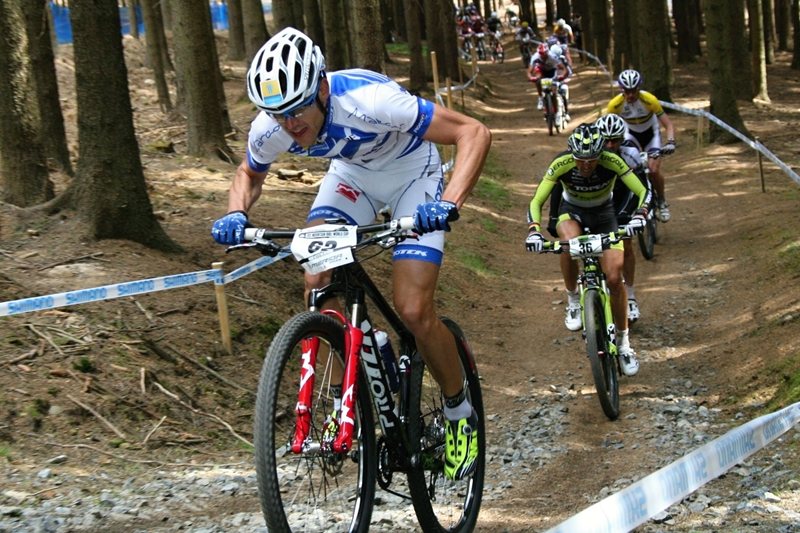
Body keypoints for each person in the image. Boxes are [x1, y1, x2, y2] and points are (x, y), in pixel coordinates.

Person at [211, 28, 491, 480]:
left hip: (412, 174)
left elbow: (472, 132)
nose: (289, 124)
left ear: (322, 89)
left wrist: (448, 203)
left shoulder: (371, 100)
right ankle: (361, 367)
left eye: (298, 109)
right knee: (316, 278)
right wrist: (235, 212)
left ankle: (460, 412)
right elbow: (248, 173)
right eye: (278, 114)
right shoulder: (272, 127)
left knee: (413, 308)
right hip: (352, 177)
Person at [524, 124, 651, 376]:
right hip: (572, 212)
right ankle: (573, 298)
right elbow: (537, 200)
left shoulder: (612, 160)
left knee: (614, 278)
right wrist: (534, 230)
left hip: (605, 215)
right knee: (568, 245)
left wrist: (640, 214)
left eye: (591, 160)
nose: (585, 165)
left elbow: (641, 190)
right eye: (580, 160)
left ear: (600, 155)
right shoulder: (561, 163)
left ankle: (624, 344)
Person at [595, 113, 654, 324]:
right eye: (606, 141)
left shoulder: (631, 155)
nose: (610, 145)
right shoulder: (591, 155)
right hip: (597, 201)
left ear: (622, 139)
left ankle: (629, 296)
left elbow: (642, 188)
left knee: (626, 244)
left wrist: (641, 211)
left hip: (622, 200)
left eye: (615, 140)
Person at [606, 69, 676, 222]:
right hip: (631, 136)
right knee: (630, 168)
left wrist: (670, 142)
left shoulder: (649, 100)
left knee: (653, 169)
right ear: (622, 90)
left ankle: (662, 201)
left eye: (634, 91)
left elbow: (668, 124)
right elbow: (607, 127)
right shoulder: (615, 105)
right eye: (627, 91)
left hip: (651, 135)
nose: (630, 95)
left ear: (639, 88)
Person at [528, 42, 571, 118]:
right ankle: (540, 97)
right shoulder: (535, 57)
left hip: (552, 71)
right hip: (541, 71)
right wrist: (531, 77)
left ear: (547, 52)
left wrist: (562, 76)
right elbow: (529, 71)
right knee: (538, 79)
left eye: (544, 54)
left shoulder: (553, 56)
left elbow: (564, 68)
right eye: (541, 54)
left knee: (554, 91)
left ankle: (557, 112)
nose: (542, 56)